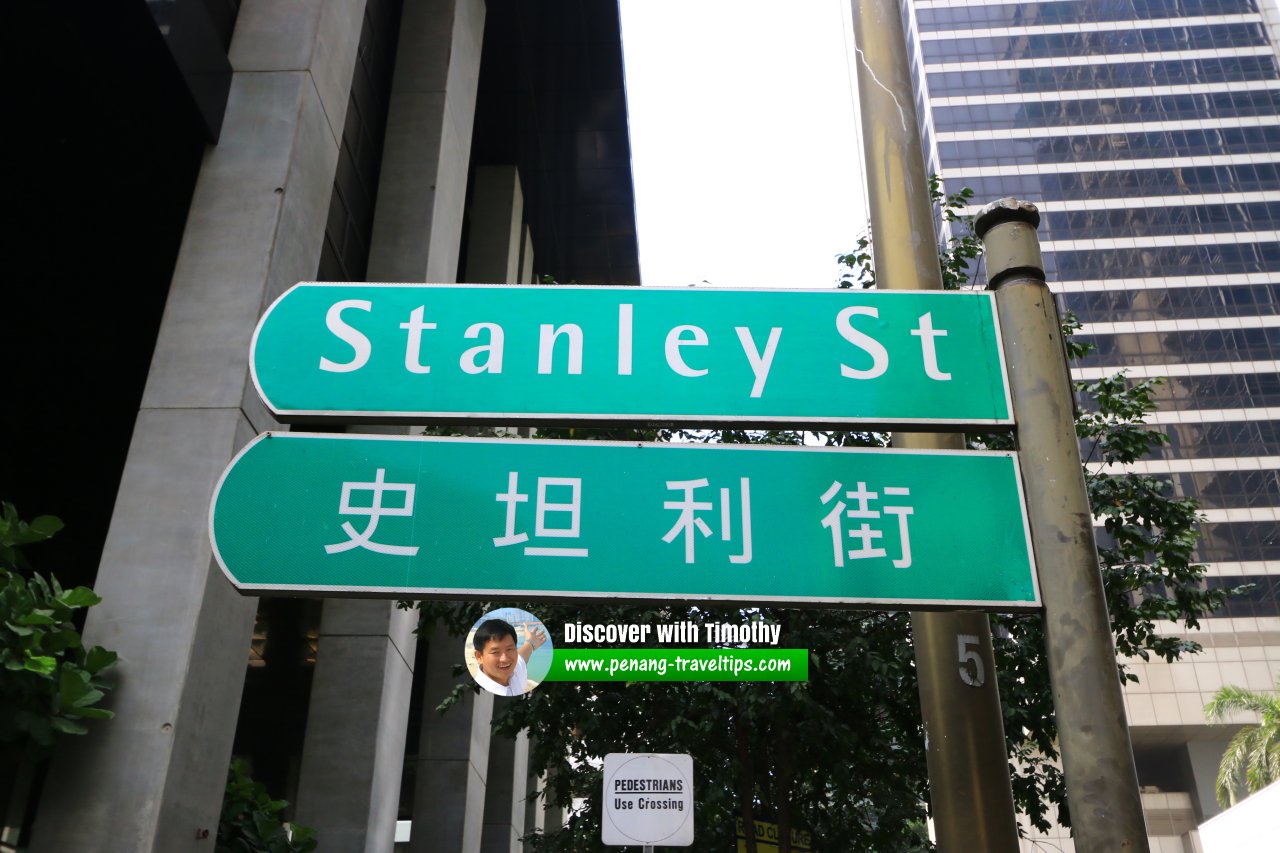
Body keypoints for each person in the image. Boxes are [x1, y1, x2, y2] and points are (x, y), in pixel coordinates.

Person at [471, 618, 547, 696]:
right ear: (479, 657)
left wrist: (530, 643)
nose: (505, 659)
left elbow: (522, 656)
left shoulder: (515, 670)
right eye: (495, 652)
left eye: (509, 649)